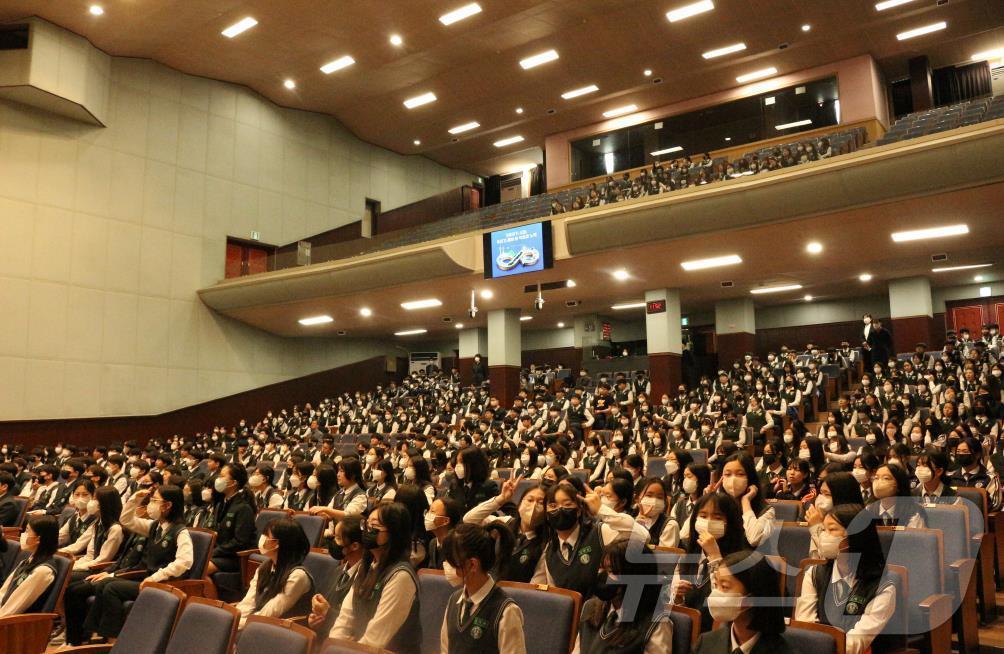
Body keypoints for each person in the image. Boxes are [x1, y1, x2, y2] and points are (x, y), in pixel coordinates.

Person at [81, 485, 193, 641]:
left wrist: (156, 577)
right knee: (103, 583)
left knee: (112, 588)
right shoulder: (155, 527)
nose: (150, 505)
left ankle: (114, 638)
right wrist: (135, 499)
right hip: (147, 580)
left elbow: (184, 562)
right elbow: (126, 520)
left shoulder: (180, 531)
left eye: (154, 500)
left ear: (167, 505)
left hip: (164, 584)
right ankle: (95, 634)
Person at [794, 503, 896, 654]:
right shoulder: (814, 574)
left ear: (856, 535)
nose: (824, 536)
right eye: (824, 530)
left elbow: (856, 643)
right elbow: (806, 627)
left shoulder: (882, 587)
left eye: (832, 530)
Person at [329, 502, 423, 653]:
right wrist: (334, 647)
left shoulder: (401, 576)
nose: (367, 531)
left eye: (374, 527)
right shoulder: (366, 566)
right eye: (366, 525)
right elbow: (345, 618)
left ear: (394, 533)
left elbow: (376, 639)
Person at [531, 480, 648, 599]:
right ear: (546, 514)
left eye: (567, 504)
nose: (560, 509)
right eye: (553, 506)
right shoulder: (550, 550)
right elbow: (555, 595)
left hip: (600, 610)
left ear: (578, 510)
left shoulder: (599, 532)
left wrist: (600, 510)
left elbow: (642, 536)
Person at [439, 523, 525, 653]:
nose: (448, 568)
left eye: (454, 564)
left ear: (472, 565)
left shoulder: (506, 611)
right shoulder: (453, 601)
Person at [577, 538, 674, 653]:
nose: (603, 576)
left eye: (612, 571)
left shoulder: (656, 624)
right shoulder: (591, 607)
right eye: (602, 568)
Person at [691, 549, 792, 654]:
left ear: (752, 599)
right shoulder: (705, 643)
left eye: (725, 586)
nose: (716, 594)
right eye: (716, 585)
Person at [464, 476, 547, 583]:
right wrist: (501, 498)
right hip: (489, 586)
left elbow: (536, 583)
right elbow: (469, 520)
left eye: (540, 503)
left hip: (519, 593)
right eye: (530, 500)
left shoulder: (545, 542)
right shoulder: (505, 522)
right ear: (520, 503)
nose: (534, 506)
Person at [235, 518, 313, 628]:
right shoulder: (264, 568)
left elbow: (269, 614)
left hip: (281, 632)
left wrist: (236, 625)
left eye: (267, 535)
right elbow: (248, 603)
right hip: (257, 626)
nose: (262, 539)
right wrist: (233, 620)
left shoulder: (298, 576)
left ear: (278, 544)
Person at [308, 516, 365, 637]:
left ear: (354, 546)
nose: (333, 541)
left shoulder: (366, 578)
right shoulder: (338, 570)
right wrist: (314, 620)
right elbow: (322, 608)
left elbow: (357, 626)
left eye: (338, 538)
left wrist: (327, 614)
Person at [0, 516, 59, 617]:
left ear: (38, 539)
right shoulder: (27, 561)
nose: (23, 535)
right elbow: (3, 592)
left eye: (27, 531)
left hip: (12, 625)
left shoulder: (43, 571)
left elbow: (15, 606)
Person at [206, 463, 257, 575]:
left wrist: (213, 552)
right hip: (218, 553)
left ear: (234, 482)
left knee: (201, 569)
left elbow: (240, 542)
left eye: (222, 476)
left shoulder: (243, 508)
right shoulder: (220, 504)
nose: (218, 480)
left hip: (234, 557)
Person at [70, 487, 125, 574]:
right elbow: (90, 555)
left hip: (99, 570)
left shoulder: (115, 529)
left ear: (105, 503)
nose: (91, 502)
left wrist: (74, 568)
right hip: (89, 565)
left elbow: (103, 559)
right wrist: (72, 565)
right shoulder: (97, 522)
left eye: (95, 499)